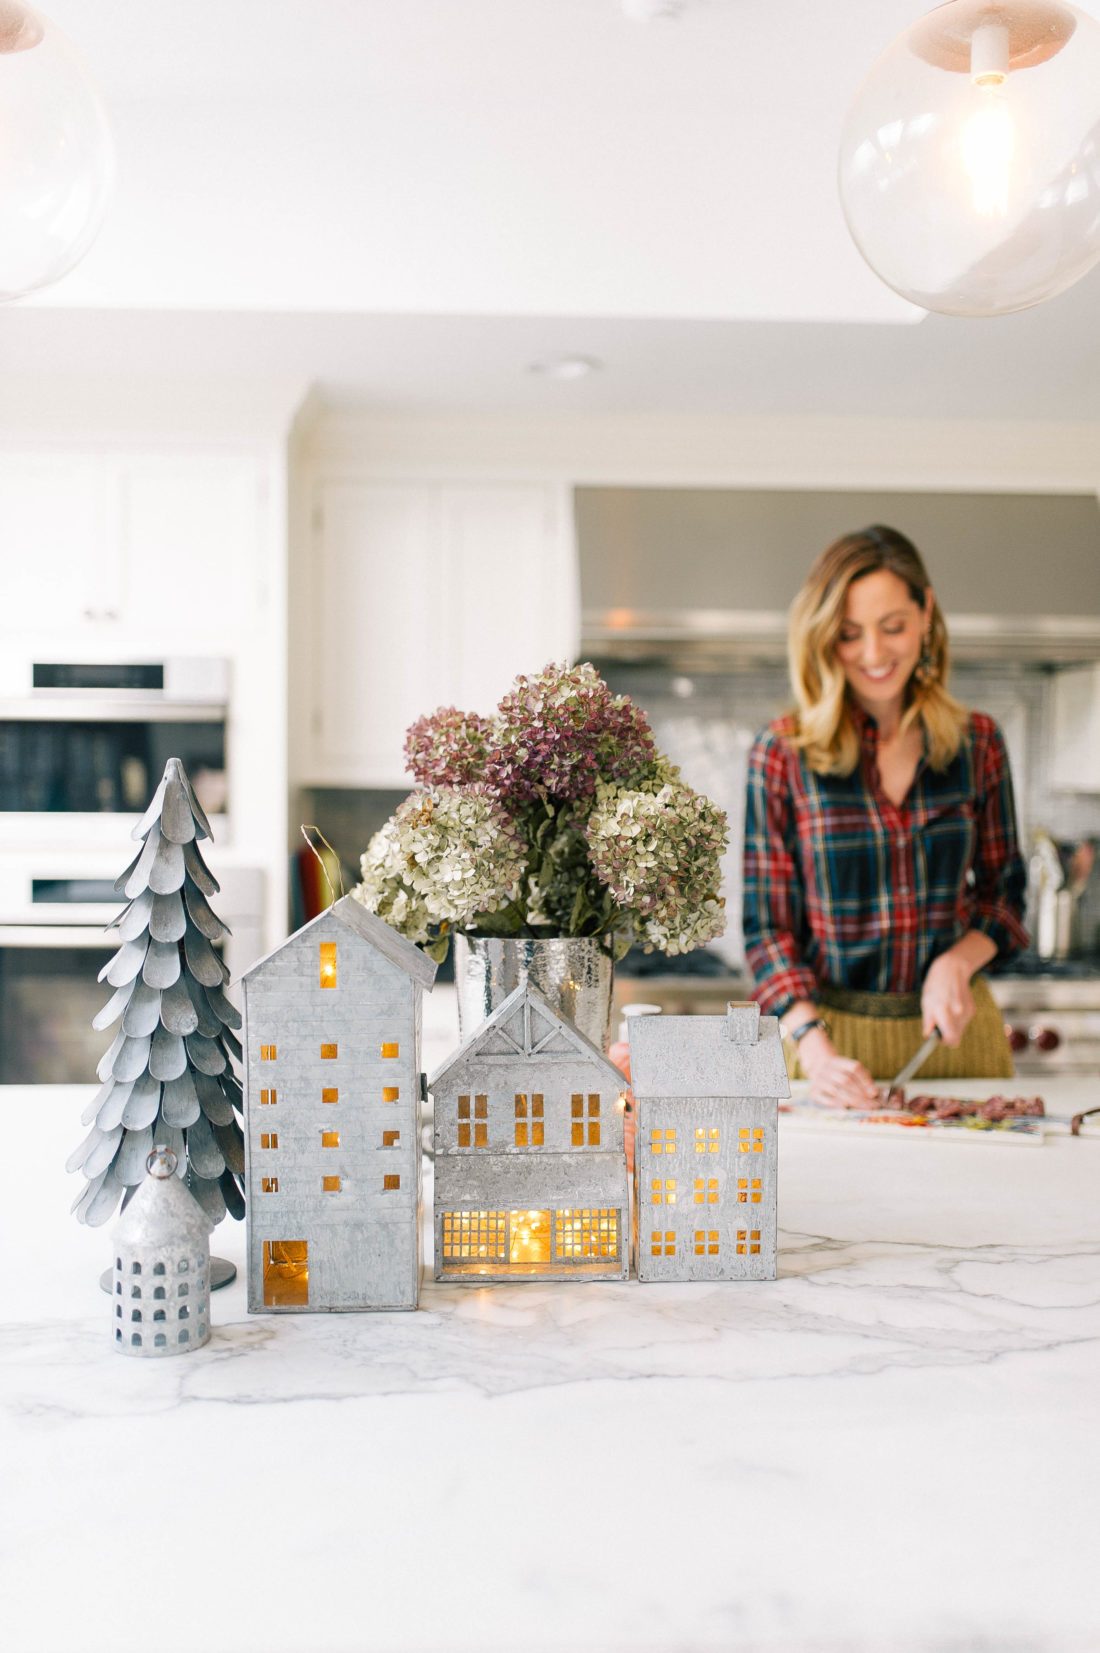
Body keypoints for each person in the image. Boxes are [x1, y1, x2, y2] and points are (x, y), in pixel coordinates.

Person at [742, 525, 1028, 1107]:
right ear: (824, 639)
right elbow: (768, 931)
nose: (874, 654)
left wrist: (958, 960)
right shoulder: (782, 754)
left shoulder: (979, 744)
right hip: (827, 1049)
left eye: (893, 627)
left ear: (926, 614)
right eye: (850, 635)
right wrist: (814, 1050)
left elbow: (1007, 896)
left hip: (956, 1040)